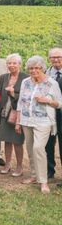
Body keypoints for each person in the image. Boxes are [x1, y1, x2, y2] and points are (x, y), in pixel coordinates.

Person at [16, 55, 62, 194]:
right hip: (26, 120)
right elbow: (20, 102)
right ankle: (34, 176)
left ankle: (44, 181)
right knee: (30, 149)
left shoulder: (51, 83)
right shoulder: (25, 82)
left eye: (36, 68)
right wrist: (18, 121)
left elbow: (59, 103)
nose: (34, 70)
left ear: (42, 68)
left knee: (38, 148)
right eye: (31, 68)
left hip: (44, 121)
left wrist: (46, 100)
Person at [0, 54, 27, 177]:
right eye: (9, 63)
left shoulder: (26, 78)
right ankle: (7, 164)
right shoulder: (4, 77)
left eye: (14, 63)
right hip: (4, 113)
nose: (11, 65)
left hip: (18, 115)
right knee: (7, 141)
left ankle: (19, 167)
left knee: (17, 141)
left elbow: (26, 98)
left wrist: (14, 94)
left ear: (20, 64)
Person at [45, 47, 62, 179]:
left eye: (59, 57)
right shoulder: (45, 73)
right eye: (53, 57)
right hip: (49, 113)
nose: (56, 59)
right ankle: (50, 170)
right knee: (48, 143)